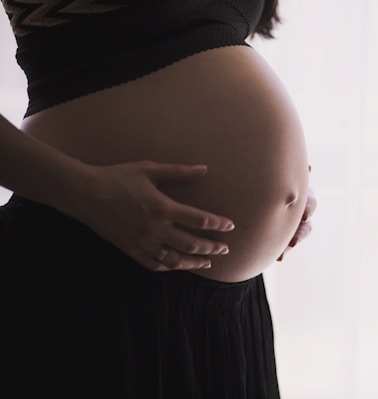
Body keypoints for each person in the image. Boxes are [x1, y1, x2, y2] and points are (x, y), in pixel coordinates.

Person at [0, 0, 316, 398]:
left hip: (229, 309)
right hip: (84, 265)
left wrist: (281, 183)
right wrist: (85, 192)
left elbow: (196, 44)